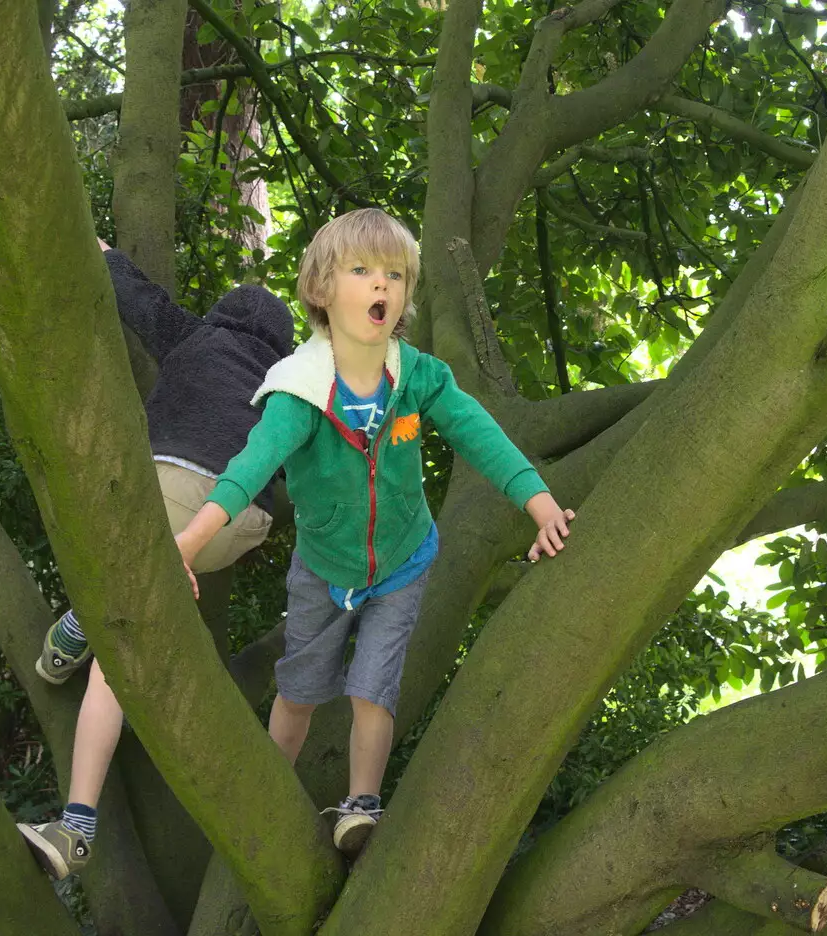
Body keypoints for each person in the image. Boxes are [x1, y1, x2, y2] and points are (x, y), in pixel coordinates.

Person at [172, 208, 574, 857]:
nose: (381, 284)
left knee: (373, 688)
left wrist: (541, 503)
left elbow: (478, 433)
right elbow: (249, 467)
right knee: (299, 690)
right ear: (322, 291)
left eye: (394, 273)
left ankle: (361, 803)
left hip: (402, 562)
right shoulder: (300, 390)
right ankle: (264, 793)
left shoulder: (416, 377)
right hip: (324, 568)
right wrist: (188, 544)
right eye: (362, 271)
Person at [18, 239, 295, 880]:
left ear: (224, 317)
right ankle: (76, 829)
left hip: (160, 491)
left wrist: (99, 248)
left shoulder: (196, 338)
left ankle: (82, 628)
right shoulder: (290, 386)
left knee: (112, 631)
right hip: (235, 521)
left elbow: (139, 300)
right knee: (126, 644)